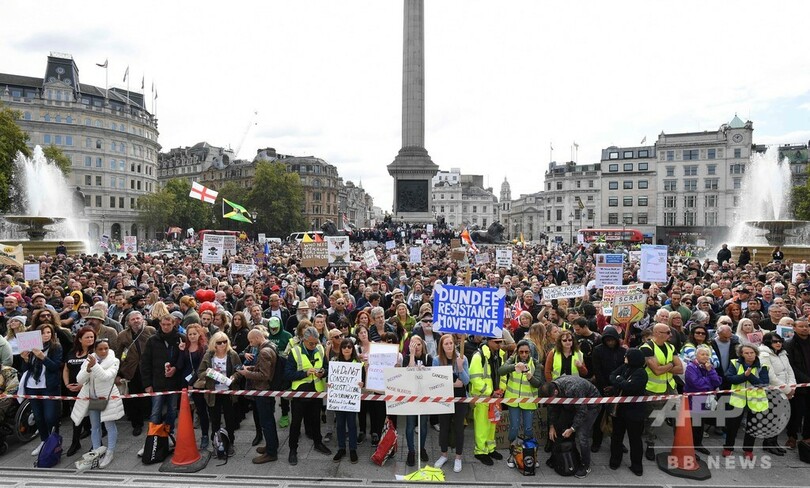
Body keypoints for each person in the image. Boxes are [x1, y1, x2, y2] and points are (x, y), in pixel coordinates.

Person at [71, 338, 124, 469]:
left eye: (106, 348)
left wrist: (94, 366)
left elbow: (106, 377)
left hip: (107, 397)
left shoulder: (114, 361)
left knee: (109, 425)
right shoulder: (89, 360)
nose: (103, 351)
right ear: (94, 350)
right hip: (92, 397)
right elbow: (79, 379)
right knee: (94, 426)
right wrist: (88, 369)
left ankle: (110, 451)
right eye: (100, 349)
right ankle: (96, 451)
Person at [285, 326, 332, 465]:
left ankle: (318, 443)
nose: (314, 346)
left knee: (315, 420)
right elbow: (287, 374)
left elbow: (327, 368)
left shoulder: (320, 349)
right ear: (304, 340)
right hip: (300, 392)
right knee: (296, 423)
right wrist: (305, 373)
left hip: (316, 391)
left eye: (316, 343)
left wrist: (323, 372)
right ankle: (293, 450)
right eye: (311, 343)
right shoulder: (295, 352)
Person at [540, 375, 601, 479]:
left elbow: (582, 411)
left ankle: (585, 466)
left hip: (591, 406)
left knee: (582, 435)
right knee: (560, 426)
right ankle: (561, 455)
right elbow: (552, 408)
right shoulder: (553, 387)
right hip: (571, 403)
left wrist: (572, 428)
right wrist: (551, 426)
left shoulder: (574, 388)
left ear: (555, 392)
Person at [139, 314, 183, 456]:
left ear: (173, 324)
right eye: (163, 324)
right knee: (155, 412)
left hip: (174, 383)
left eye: (168, 325)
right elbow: (145, 363)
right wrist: (147, 384)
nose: (165, 327)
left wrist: (176, 368)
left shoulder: (180, 338)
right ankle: (152, 439)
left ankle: (169, 435)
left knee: (172, 410)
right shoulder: (153, 340)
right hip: (157, 383)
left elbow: (183, 360)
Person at [235, 328, 281, 464]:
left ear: (257, 338)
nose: (250, 343)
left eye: (251, 341)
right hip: (265, 390)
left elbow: (264, 375)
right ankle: (272, 445)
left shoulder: (264, 351)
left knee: (266, 422)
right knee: (268, 420)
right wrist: (252, 368)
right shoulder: (270, 346)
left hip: (263, 390)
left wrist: (246, 373)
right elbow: (265, 368)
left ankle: (271, 452)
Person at [640, 323, 684, 460]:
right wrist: (671, 364)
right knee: (654, 418)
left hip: (670, 387)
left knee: (678, 414)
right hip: (653, 389)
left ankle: (680, 443)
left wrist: (666, 366)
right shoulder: (646, 348)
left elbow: (680, 369)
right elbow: (656, 371)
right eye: (667, 332)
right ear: (658, 333)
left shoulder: (671, 347)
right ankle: (650, 444)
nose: (670, 335)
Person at [20, 323, 63, 456]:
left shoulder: (56, 347)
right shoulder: (31, 347)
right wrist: (26, 359)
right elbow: (25, 370)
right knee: (38, 417)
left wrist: (42, 357)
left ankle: (54, 441)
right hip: (32, 386)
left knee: (50, 416)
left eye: (49, 332)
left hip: (48, 387)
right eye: (43, 333)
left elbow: (55, 367)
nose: (46, 335)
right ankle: (44, 440)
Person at [498, 339, 543, 468]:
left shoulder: (535, 363)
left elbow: (539, 383)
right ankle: (512, 455)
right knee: (514, 428)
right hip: (513, 401)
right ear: (517, 351)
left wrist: (530, 377)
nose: (524, 355)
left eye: (526, 352)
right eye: (521, 352)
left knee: (528, 429)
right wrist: (514, 367)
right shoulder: (512, 360)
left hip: (528, 402)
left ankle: (531, 454)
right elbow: (501, 370)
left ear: (530, 352)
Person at [193, 331, 240, 454]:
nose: (223, 345)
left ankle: (230, 443)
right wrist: (210, 372)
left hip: (228, 392)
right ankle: (216, 443)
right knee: (215, 420)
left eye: (225, 342)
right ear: (214, 343)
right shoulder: (209, 355)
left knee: (230, 419)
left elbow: (239, 370)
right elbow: (200, 373)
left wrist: (234, 377)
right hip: (213, 393)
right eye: (219, 342)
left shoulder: (232, 354)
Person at [723, 343, 769, 458]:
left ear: (756, 353)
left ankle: (748, 450)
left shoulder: (763, 365)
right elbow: (730, 378)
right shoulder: (735, 363)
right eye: (746, 353)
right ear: (742, 354)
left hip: (755, 400)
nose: (749, 355)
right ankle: (728, 447)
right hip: (738, 399)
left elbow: (763, 383)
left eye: (752, 353)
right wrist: (744, 375)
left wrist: (749, 376)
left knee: (752, 426)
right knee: (732, 426)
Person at [608, 348, 648, 476]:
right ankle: (615, 460)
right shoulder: (624, 367)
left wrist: (620, 381)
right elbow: (612, 376)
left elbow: (630, 387)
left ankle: (637, 466)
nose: (625, 357)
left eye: (627, 356)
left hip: (634, 413)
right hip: (620, 410)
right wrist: (621, 380)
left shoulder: (641, 373)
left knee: (635, 439)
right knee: (616, 436)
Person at [115, 311, 155, 437]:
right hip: (131, 370)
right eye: (133, 319)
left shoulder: (150, 330)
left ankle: (149, 416)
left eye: (138, 318)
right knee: (133, 397)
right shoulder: (122, 335)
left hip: (148, 368)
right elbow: (118, 355)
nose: (136, 321)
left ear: (142, 319)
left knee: (149, 394)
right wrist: (118, 373)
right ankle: (136, 424)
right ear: (128, 322)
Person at [433, 333, 469, 473]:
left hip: (460, 399)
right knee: (444, 427)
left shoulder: (462, 358)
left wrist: (460, 368)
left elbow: (466, 381)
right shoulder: (437, 360)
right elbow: (436, 381)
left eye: (451, 343)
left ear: (454, 344)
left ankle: (458, 458)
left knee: (459, 428)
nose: (449, 346)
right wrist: (454, 384)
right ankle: (444, 455)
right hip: (444, 398)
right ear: (441, 346)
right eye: (446, 343)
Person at [469, 334, 505, 465]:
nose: (499, 344)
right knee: (482, 425)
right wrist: (490, 392)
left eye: (501, 342)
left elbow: (502, 375)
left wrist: (501, 389)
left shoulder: (499, 355)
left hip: (495, 397)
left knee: (492, 424)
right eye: (497, 342)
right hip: (483, 398)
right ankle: (480, 451)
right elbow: (474, 378)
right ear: (489, 341)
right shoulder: (478, 356)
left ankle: (490, 448)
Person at [326, 337, 363, 464]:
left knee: (352, 424)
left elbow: (362, 380)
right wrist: (329, 385)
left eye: (349, 347)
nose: (346, 349)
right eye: (344, 347)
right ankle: (341, 448)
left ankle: (353, 449)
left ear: (352, 349)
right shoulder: (335, 362)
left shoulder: (358, 364)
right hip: (338, 400)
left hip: (351, 400)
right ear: (341, 349)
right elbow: (330, 379)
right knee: (340, 425)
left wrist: (361, 384)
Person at [591, 327, 626, 452]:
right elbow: (597, 369)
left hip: (617, 388)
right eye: (608, 340)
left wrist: (616, 386)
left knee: (617, 418)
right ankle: (596, 441)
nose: (610, 343)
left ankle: (617, 442)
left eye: (612, 340)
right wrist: (604, 386)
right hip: (602, 388)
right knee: (599, 416)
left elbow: (624, 369)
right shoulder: (598, 350)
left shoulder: (622, 351)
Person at [758, 332, 794, 455]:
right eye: (775, 341)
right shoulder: (763, 354)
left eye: (780, 341)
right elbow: (771, 376)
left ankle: (774, 442)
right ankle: (768, 444)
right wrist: (788, 390)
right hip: (772, 391)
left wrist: (792, 387)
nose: (778, 343)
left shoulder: (783, 354)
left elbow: (790, 371)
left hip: (785, 390)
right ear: (768, 342)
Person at [176, 323, 210, 449]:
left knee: (201, 410)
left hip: (198, 382)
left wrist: (192, 383)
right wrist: (180, 351)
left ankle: (205, 435)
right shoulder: (185, 347)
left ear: (199, 334)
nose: (192, 336)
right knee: (186, 411)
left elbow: (201, 367)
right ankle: (187, 437)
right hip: (185, 382)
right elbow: (180, 365)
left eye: (194, 334)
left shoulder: (203, 348)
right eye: (189, 334)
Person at [683, 345, 722, 455]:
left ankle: (698, 444)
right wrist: (709, 382)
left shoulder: (709, 367)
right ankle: (689, 446)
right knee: (692, 424)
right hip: (693, 400)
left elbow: (717, 382)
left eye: (707, 355)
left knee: (700, 424)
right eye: (702, 354)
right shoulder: (691, 367)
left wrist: (710, 372)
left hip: (705, 400)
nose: (705, 357)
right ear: (696, 355)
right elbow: (697, 384)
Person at [63, 326, 95, 456]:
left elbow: (95, 372)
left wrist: (81, 386)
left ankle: (95, 443)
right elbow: (66, 368)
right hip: (72, 390)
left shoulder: (94, 353)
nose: (90, 339)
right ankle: (75, 442)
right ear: (80, 339)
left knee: (94, 417)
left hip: (89, 390)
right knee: (76, 417)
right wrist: (66, 384)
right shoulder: (72, 351)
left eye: (92, 337)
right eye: (87, 337)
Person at [403, 335, 433, 466]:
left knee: (423, 426)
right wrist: (412, 355)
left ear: (423, 345)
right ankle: (411, 451)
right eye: (413, 345)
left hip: (424, 397)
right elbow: (408, 373)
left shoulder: (428, 358)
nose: (416, 347)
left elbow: (431, 376)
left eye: (418, 344)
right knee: (410, 426)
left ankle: (422, 448)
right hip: (411, 397)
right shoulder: (406, 358)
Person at [784, 317, 810, 450]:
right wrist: (806, 379)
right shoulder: (789, 344)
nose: (805, 328)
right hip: (799, 384)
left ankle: (807, 437)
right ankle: (792, 436)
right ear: (794, 328)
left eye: (806, 326)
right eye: (801, 326)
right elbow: (791, 366)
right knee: (797, 412)